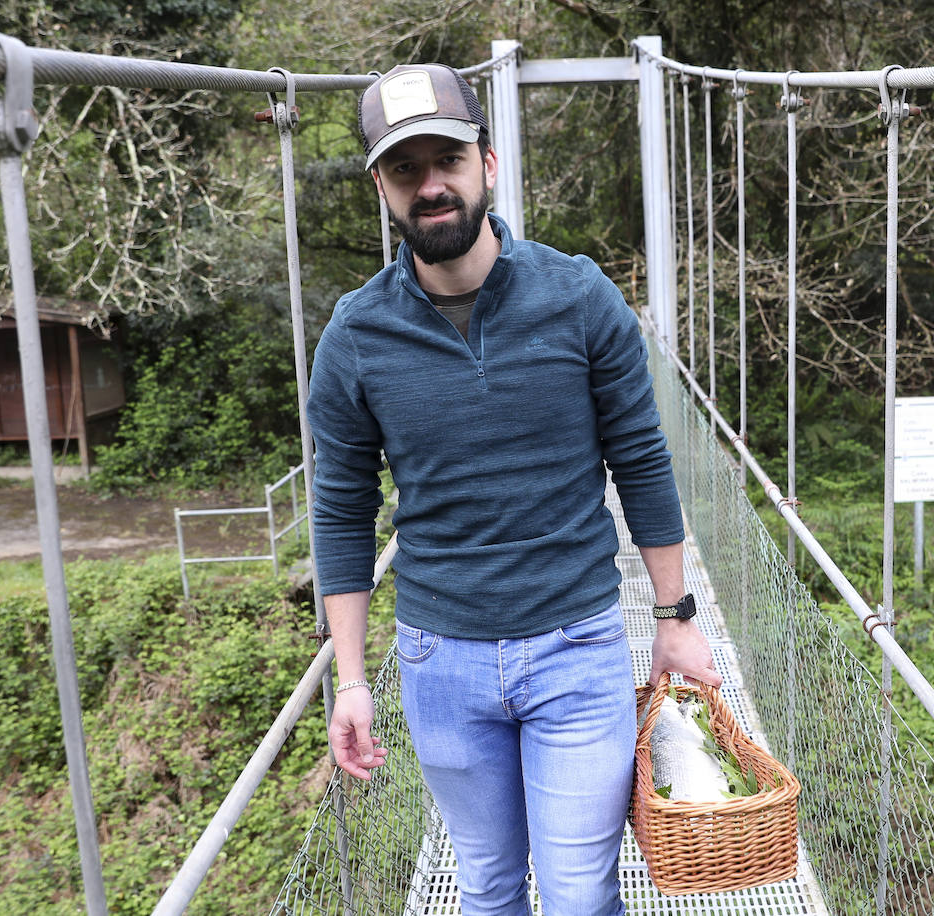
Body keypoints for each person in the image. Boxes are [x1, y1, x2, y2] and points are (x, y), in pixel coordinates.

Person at [306, 62, 722, 916]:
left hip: (577, 649)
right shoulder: (355, 335)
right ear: (380, 187)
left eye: (448, 160)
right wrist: (350, 681)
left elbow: (641, 459)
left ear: (487, 166)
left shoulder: (579, 297)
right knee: (489, 890)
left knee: (578, 896)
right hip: (439, 661)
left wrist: (675, 619)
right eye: (405, 169)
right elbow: (342, 510)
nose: (432, 186)